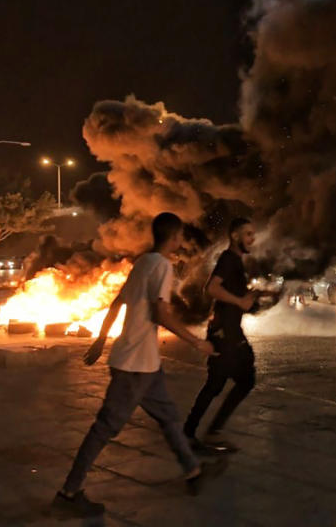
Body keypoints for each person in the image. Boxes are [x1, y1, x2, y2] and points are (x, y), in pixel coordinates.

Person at [53, 212, 221, 519]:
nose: (183, 241)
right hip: (134, 365)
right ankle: (69, 492)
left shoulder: (143, 262)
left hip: (145, 363)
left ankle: (193, 471)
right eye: (181, 236)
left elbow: (117, 302)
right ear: (174, 237)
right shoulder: (162, 265)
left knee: (169, 417)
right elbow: (161, 314)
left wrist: (101, 340)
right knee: (105, 428)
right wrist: (197, 342)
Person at [184, 217, 259, 452]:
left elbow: (235, 297)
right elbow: (212, 288)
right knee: (236, 381)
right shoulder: (228, 259)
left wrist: (253, 299)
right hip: (225, 334)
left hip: (228, 332)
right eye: (247, 234)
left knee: (221, 383)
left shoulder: (235, 261)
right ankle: (204, 433)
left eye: (252, 234)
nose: (252, 238)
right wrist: (239, 300)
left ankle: (195, 432)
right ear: (235, 236)